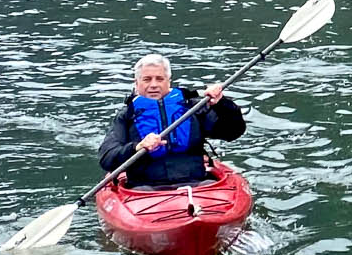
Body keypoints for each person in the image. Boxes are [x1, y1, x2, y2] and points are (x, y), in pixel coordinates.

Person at [98, 53, 246, 188]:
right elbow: (107, 158)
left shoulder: (193, 107)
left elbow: (233, 132)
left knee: (209, 185)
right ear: (137, 84)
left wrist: (222, 104)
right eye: (147, 79)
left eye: (160, 79)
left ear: (169, 81)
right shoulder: (127, 115)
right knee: (144, 190)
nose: (154, 85)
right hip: (145, 189)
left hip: (196, 184)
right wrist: (137, 147)